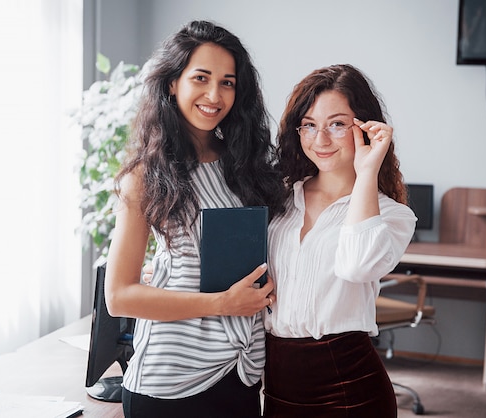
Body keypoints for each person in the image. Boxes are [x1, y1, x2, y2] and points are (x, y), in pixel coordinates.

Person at [103, 20, 285, 418]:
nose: (214, 95)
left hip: (240, 373)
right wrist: (223, 303)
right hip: (171, 383)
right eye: (200, 78)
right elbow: (118, 297)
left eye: (227, 82)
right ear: (172, 83)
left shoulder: (245, 166)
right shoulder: (146, 176)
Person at [262, 64, 417, 417]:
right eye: (310, 125)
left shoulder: (392, 215)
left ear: (365, 127)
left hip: (349, 386)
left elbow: (357, 264)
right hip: (277, 383)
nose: (321, 140)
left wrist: (366, 173)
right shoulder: (278, 198)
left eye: (336, 124)